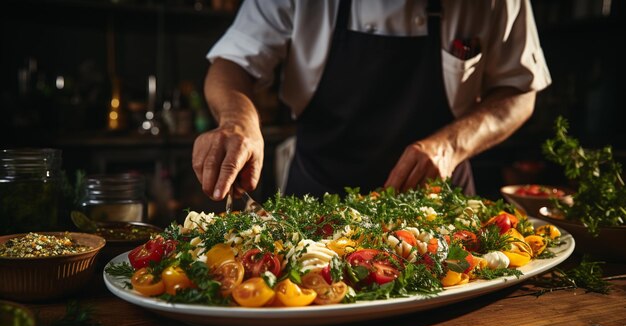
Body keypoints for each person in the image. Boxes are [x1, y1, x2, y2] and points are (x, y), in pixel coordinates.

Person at [192, 0, 551, 201]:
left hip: (439, 203)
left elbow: (520, 91)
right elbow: (232, 63)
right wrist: (238, 121)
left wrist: (450, 145)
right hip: (318, 198)